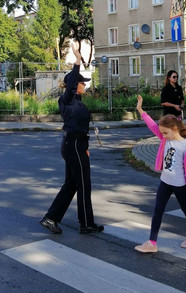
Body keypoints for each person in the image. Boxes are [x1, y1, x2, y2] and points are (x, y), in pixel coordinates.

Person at [39, 43, 104, 234]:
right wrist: (77, 60)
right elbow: (72, 82)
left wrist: (85, 146)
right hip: (72, 144)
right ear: (75, 85)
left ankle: (51, 218)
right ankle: (86, 224)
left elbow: (82, 126)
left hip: (77, 145)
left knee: (72, 184)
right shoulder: (66, 100)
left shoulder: (78, 102)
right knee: (83, 183)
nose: (85, 84)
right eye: (82, 82)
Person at [134, 95, 186, 253]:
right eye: (162, 133)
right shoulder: (166, 139)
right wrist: (140, 110)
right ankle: (152, 242)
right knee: (158, 209)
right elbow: (152, 126)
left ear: (175, 129)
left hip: (179, 184)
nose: (162, 136)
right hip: (165, 181)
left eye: (165, 133)